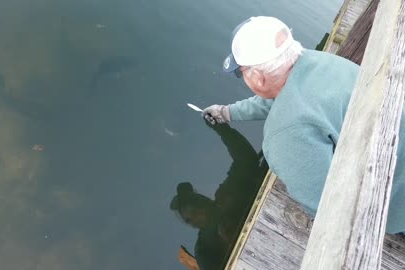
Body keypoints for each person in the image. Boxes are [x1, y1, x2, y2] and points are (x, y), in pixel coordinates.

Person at [201, 16, 405, 233]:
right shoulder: (317, 61)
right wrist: (228, 112)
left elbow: (329, 211)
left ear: (258, 78)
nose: (241, 78)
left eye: (239, 73)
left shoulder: (285, 134)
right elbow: (282, 95)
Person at [170, 123, 267, 270]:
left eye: (194, 211)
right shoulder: (204, 249)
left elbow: (246, 161)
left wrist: (222, 129)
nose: (193, 221)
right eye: (188, 220)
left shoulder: (229, 194)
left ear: (203, 201)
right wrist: (228, 244)